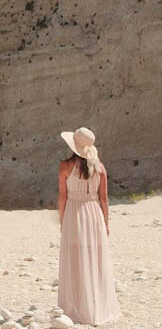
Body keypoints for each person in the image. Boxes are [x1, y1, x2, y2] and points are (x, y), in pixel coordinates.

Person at [57, 127, 121, 325]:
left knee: (75, 260)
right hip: (94, 214)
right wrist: (106, 223)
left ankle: (77, 307)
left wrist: (62, 220)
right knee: (95, 260)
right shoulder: (100, 168)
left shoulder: (65, 166)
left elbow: (62, 196)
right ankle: (96, 306)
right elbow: (104, 199)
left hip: (74, 213)